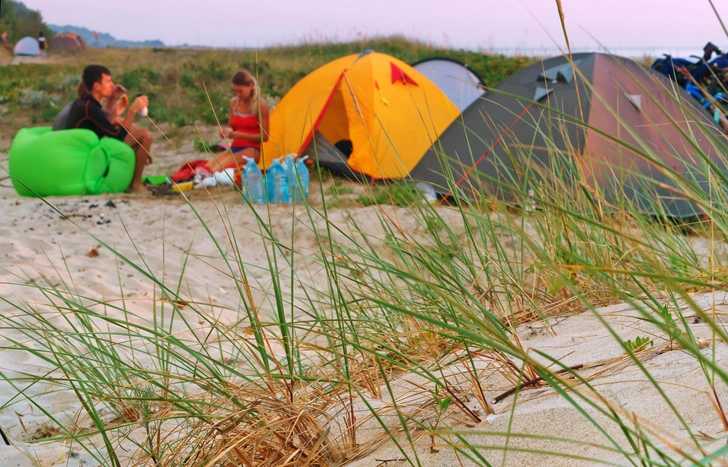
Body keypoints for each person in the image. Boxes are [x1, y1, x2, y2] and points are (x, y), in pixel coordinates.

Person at [66, 65, 153, 192]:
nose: (112, 85)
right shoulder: (90, 108)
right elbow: (118, 136)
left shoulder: (84, 103)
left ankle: (131, 179)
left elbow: (103, 123)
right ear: (97, 86)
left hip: (88, 147)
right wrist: (132, 110)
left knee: (132, 130)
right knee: (145, 136)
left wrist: (113, 100)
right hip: (88, 154)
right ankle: (136, 184)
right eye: (108, 81)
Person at [207, 70, 269, 172]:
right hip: (235, 147)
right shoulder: (233, 103)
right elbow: (231, 127)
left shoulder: (260, 105)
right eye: (235, 91)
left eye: (240, 91)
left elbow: (265, 136)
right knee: (206, 169)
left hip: (252, 149)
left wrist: (240, 135)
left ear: (251, 86)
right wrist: (225, 132)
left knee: (216, 170)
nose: (238, 94)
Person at [53, 80, 127, 131]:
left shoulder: (72, 106)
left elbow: (107, 120)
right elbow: (124, 124)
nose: (103, 99)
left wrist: (112, 98)